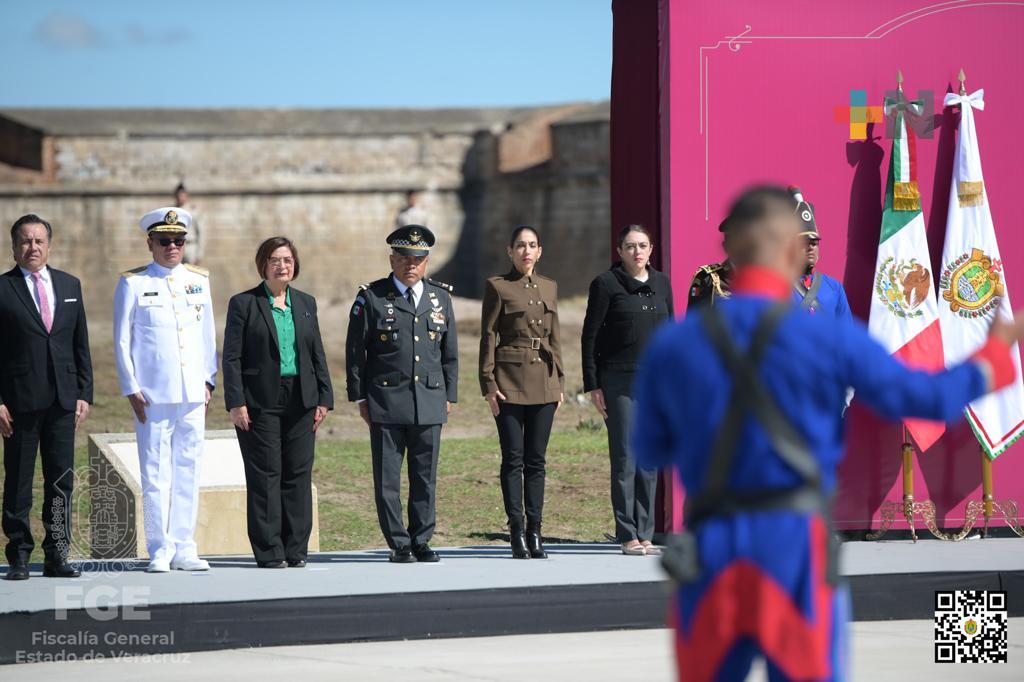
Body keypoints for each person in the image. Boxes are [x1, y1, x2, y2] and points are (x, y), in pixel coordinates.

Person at [632, 185, 1024, 682]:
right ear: (793, 249)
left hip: (711, 551)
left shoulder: (674, 346)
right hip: (794, 550)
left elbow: (651, 448)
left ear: (730, 248)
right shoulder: (828, 337)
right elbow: (927, 399)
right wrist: (991, 361)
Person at [113, 207, 217, 573]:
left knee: (188, 469)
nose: (172, 247)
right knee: (156, 473)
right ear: (150, 243)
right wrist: (131, 386)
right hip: (153, 395)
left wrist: (208, 380)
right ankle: (160, 547)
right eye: (164, 241)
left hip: (192, 393)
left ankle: (185, 546)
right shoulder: (133, 283)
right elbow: (121, 339)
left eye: (178, 241)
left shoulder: (199, 280)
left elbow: (207, 336)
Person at [345, 224, 458, 563]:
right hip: (386, 401)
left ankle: (421, 539)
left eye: (418, 259)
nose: (411, 265)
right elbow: (355, 353)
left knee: (425, 477)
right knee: (388, 479)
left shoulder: (440, 298)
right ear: (392, 259)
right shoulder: (373, 297)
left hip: (429, 400)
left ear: (426, 262)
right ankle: (399, 542)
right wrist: (360, 398)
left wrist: (449, 395)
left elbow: (450, 353)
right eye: (405, 258)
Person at [222, 236, 333, 569]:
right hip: (260, 401)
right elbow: (231, 357)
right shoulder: (244, 303)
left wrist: (324, 397)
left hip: (302, 397)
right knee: (266, 474)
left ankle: (295, 548)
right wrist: (236, 402)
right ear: (263, 265)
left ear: (294, 265)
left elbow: (316, 352)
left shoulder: (306, 303)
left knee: (297, 473)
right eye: (274, 260)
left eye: (287, 260)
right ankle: (270, 550)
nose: (281, 266)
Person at [1, 214, 92, 580]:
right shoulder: (3, 289)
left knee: (60, 481)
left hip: (63, 401)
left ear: (49, 246)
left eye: (39, 241)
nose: (32, 247)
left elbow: (80, 342)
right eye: (25, 241)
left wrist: (84, 391)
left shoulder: (70, 285)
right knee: (19, 481)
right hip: (19, 402)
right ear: (14, 247)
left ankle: (57, 554)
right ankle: (19, 555)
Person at [582, 224, 673, 556]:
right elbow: (590, 336)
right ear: (619, 251)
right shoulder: (606, 284)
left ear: (651, 250)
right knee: (625, 457)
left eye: (643, 245)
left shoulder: (662, 283)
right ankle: (627, 534)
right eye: (631, 246)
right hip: (618, 381)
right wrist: (593, 384)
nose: (637, 252)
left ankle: (646, 533)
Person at [479, 225, 564, 559]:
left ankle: (535, 531)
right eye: (520, 246)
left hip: (544, 380)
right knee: (513, 458)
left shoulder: (550, 286)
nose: (526, 251)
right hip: (509, 381)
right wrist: (488, 383)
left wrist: (559, 383)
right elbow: (488, 335)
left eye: (532, 246)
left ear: (539, 251)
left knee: (537, 461)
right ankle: (516, 530)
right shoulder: (498, 286)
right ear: (510, 251)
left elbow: (554, 337)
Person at [788, 186, 852, 318]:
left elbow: (845, 328)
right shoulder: (777, 286)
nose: (811, 247)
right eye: (804, 243)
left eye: (814, 243)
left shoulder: (834, 287)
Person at [174, 182, 204, 265]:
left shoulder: (193, 211)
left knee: (191, 271)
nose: (180, 197)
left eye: (182, 194)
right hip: (176, 246)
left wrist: (199, 254)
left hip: (190, 246)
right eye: (178, 195)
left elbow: (201, 233)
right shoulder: (173, 211)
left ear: (186, 196)